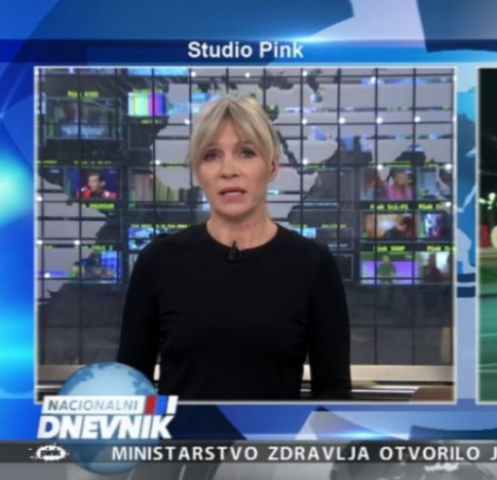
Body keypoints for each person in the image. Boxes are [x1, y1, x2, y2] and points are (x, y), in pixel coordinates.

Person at [117, 96, 352, 401]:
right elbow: (129, 389)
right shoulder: (159, 262)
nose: (228, 170)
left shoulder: (312, 264)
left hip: (274, 435)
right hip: (182, 435)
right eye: (211, 155)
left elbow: (333, 392)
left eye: (246, 153)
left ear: (272, 165)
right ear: (198, 170)